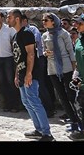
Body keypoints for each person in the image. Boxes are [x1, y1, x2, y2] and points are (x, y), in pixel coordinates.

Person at [6, 9, 55, 141]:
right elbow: (18, 57)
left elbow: (31, 54)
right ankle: (38, 129)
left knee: (34, 101)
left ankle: (47, 133)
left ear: (17, 19)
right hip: (22, 73)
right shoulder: (16, 36)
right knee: (26, 102)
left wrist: (29, 74)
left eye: (9, 17)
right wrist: (17, 74)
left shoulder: (27, 33)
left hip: (31, 73)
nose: (7, 19)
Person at [41, 13, 80, 132]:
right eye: (43, 20)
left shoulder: (63, 33)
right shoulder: (45, 35)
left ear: (53, 21)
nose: (43, 22)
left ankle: (80, 119)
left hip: (66, 67)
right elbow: (43, 50)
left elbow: (70, 51)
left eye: (46, 20)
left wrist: (74, 70)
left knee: (71, 95)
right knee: (61, 96)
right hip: (52, 68)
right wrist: (46, 53)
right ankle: (73, 120)